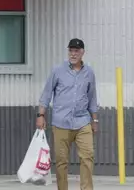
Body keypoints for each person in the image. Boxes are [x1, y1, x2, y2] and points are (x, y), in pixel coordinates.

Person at [36, 38, 99, 190]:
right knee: (61, 161)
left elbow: (92, 97)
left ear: (82, 52)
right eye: (71, 50)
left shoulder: (89, 73)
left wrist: (94, 120)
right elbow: (47, 93)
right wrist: (41, 115)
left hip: (82, 121)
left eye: (76, 51)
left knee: (87, 157)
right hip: (61, 123)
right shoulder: (58, 70)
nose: (73, 54)